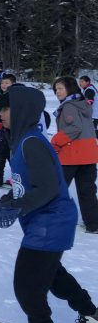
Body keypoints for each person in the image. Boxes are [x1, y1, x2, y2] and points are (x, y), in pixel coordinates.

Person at [0, 87, 98, 323]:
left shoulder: (32, 143)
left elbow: (47, 188)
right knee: (53, 276)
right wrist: (8, 199)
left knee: (27, 289)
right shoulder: (24, 140)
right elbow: (27, 183)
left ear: (23, 111)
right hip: (45, 221)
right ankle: (90, 313)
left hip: (51, 222)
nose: (0, 114)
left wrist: (18, 206)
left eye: (6, 109)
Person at [51, 76, 98, 234]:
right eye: (56, 89)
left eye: (60, 89)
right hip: (89, 155)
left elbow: (75, 127)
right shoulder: (83, 104)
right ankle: (93, 224)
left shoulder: (69, 106)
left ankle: (54, 219)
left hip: (72, 155)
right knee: (87, 190)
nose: (57, 92)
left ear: (70, 89)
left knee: (57, 188)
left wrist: (56, 142)